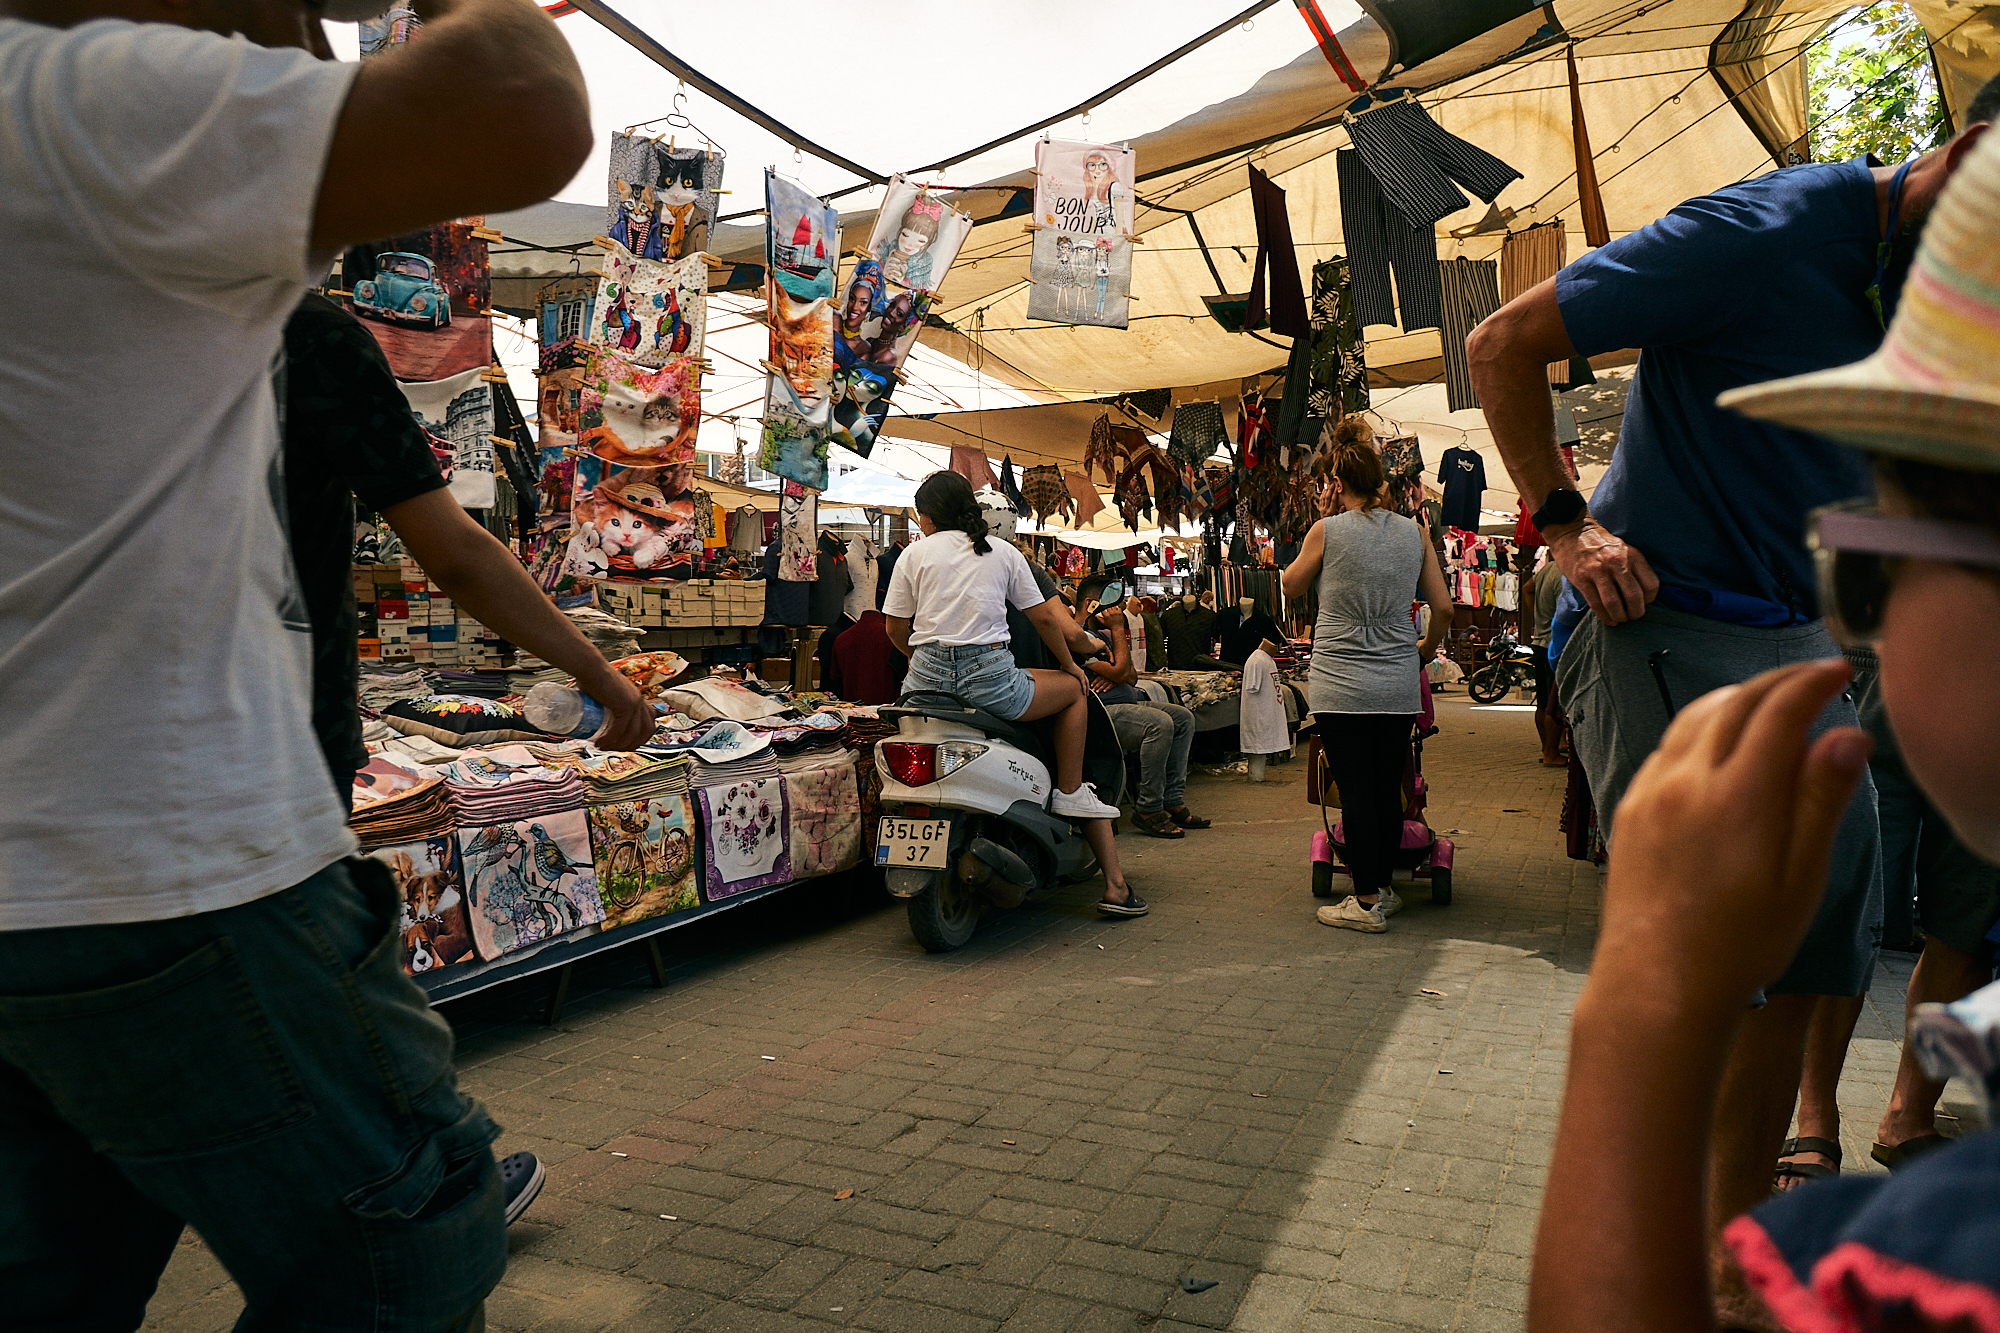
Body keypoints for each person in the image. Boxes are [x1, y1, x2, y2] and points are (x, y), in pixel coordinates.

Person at [0, 0, 591, 1322]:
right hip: (164, 860)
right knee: (413, 1233)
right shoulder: (83, 101)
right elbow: (517, 97)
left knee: (62, 1254)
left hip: (46, 884)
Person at [1471, 83, 1995, 1311]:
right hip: (1657, 618)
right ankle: (1684, 1255)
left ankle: (1729, 1244)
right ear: (1965, 157)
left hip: (1801, 632)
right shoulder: (1774, 227)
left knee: (1824, 944)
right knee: (1695, 955)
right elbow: (1499, 342)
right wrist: (1566, 525)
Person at [286, 291, 652, 801]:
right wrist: (603, 678)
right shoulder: (306, 333)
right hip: (274, 732)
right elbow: (457, 555)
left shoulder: (143, 319)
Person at [1281, 425, 1454, 933]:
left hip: (1341, 681)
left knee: (1353, 786)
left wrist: (1320, 527)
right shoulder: (1413, 533)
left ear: (1338, 482)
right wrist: (1423, 652)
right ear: (1380, 481)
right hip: (1397, 680)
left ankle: (1363, 900)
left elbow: (1291, 586)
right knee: (1384, 787)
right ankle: (1383, 889)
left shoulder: (1327, 530)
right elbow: (1442, 607)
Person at [882, 472, 1122, 824]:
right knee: (1074, 691)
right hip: (990, 683)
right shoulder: (1004, 552)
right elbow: (1045, 621)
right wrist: (1069, 665)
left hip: (924, 685)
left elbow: (895, 627)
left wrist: (917, 658)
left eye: (921, 515)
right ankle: (1070, 793)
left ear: (929, 515)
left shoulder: (913, 554)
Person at [1074, 577, 1205, 839]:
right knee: (1159, 724)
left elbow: (1131, 676)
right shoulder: (1078, 636)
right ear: (1091, 605)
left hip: (1125, 703)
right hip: (1100, 713)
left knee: (1182, 717)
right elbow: (1123, 670)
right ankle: (1148, 808)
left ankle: (1172, 798)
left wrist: (1116, 672)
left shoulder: (1101, 635)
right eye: (1109, 604)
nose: (1115, 611)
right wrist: (1118, 632)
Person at [1523, 555, 1565, 766]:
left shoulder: (1547, 569)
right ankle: (1550, 753)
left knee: (1542, 702)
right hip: (1554, 645)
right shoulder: (1565, 574)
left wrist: (1538, 617)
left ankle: (1549, 746)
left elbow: (1526, 588)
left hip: (1539, 643)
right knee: (1554, 703)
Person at [1239, 636, 1291, 781]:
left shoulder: (1267, 660)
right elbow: (1252, 687)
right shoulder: (1256, 661)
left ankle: (1257, 776)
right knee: (1257, 743)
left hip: (1267, 710)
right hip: (1258, 712)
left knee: (1263, 742)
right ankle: (1255, 776)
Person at [832, 606, 906, 705]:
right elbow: (902, 672)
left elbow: (835, 676)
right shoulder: (893, 638)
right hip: (886, 706)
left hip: (852, 707)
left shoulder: (841, 638)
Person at [1159, 590, 1232, 671]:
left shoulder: (1209, 616)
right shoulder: (1169, 615)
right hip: (1177, 665)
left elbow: (1216, 634)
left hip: (1199, 665)